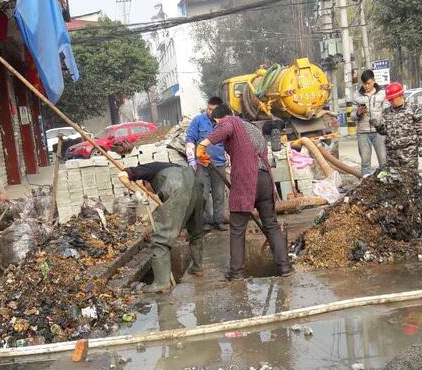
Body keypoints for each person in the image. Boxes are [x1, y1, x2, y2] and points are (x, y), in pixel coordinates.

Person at [194, 105, 292, 280]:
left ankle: (236, 272)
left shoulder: (230, 122)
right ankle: (284, 266)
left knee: (238, 228)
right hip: (265, 179)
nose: (218, 127)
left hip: (247, 180)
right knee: (271, 224)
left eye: (216, 124)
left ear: (218, 119)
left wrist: (202, 145)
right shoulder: (252, 128)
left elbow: (227, 126)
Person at [117, 162, 205, 294]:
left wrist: (138, 193)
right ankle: (197, 268)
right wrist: (149, 216)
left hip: (178, 187)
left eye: (149, 190)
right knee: (196, 231)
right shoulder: (168, 170)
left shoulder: (145, 170)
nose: (151, 193)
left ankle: (161, 283)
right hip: (197, 186)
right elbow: (165, 208)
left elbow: (122, 175)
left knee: (160, 240)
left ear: (146, 183)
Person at [185, 96, 228, 231]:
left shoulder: (223, 122)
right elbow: (190, 139)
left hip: (219, 163)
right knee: (203, 194)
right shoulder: (198, 120)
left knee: (219, 194)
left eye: (213, 110)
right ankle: (206, 222)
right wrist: (192, 159)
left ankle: (219, 221)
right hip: (202, 165)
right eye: (209, 109)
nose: (210, 112)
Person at [376, 81, 422, 170]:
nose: (390, 101)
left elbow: (421, 129)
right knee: (394, 179)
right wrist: (377, 126)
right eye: (389, 99)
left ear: (400, 95)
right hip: (392, 153)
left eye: (392, 99)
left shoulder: (413, 109)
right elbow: (384, 131)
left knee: (410, 178)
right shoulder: (386, 112)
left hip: (409, 152)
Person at [351, 69, 387, 176]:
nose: (366, 86)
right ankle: (366, 184)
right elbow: (352, 117)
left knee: (383, 161)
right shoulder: (357, 96)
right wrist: (358, 113)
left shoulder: (382, 94)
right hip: (363, 133)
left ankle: (386, 183)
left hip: (379, 132)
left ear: (374, 81)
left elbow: (387, 112)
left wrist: (382, 123)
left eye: (368, 83)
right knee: (365, 163)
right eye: (364, 84)